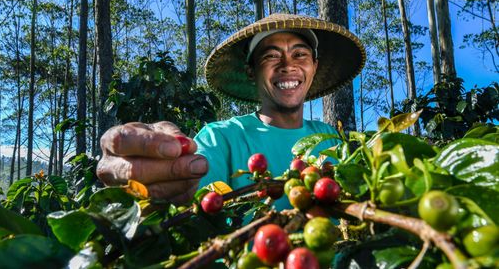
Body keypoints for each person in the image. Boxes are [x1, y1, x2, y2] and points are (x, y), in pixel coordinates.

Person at [97, 14, 365, 209]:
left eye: (300, 55)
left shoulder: (333, 140)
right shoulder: (221, 138)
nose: (287, 65)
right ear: (251, 71)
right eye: (271, 56)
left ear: (314, 67)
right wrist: (157, 177)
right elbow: (191, 186)